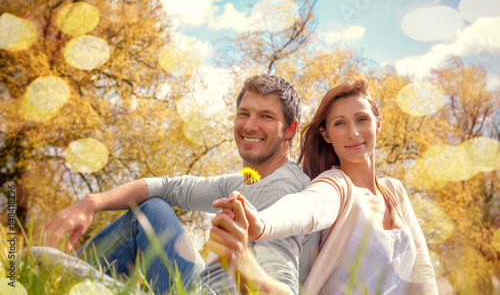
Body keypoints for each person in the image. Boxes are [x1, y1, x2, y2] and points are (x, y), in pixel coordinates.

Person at [42, 74, 320, 295]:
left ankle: (57, 279)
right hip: (199, 284)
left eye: (266, 116)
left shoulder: (285, 187)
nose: (249, 125)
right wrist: (91, 203)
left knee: (38, 260)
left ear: (291, 129)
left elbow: (283, 286)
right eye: (244, 113)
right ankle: (66, 277)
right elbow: (169, 187)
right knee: (151, 208)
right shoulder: (241, 182)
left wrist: (242, 260)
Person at [210, 73, 439, 294]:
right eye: (340, 123)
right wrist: (260, 224)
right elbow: (304, 208)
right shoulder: (335, 185)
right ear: (327, 134)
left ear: (377, 124)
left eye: (362, 119)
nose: (353, 132)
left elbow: (422, 273)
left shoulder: (394, 191)